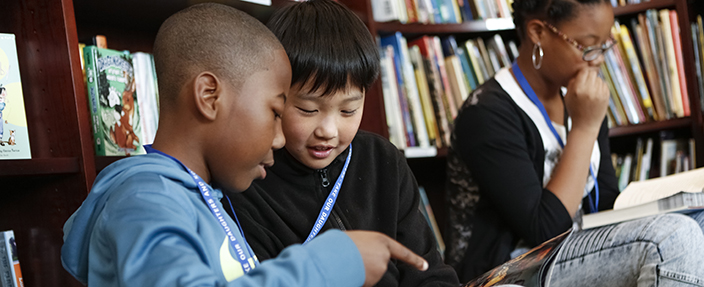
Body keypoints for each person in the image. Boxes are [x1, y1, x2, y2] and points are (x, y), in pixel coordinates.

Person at [60, 3, 429, 287]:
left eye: (349, 109)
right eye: (275, 111)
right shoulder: (145, 199)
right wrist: (331, 261)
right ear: (209, 96)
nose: (281, 136)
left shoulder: (196, 196)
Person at [444, 0, 704, 285]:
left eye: (605, 45)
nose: (599, 59)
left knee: (697, 223)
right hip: (508, 268)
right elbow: (543, 231)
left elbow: (604, 203)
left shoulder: (579, 96)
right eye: (587, 46)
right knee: (673, 237)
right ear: (538, 32)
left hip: (579, 250)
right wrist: (584, 127)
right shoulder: (485, 114)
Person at [225, 0, 460, 286]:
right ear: (276, 98)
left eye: (348, 110)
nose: (329, 131)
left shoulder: (382, 160)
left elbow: (428, 271)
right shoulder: (247, 183)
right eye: (309, 110)